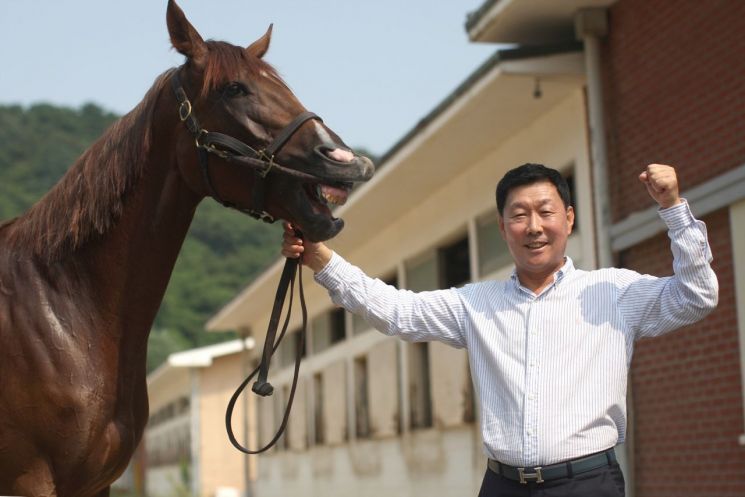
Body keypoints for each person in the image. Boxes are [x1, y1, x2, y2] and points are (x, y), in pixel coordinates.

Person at [281, 163, 718, 497]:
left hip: (587, 485)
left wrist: (673, 208)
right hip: (502, 485)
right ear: (503, 227)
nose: (533, 226)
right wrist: (320, 258)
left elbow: (697, 296)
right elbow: (398, 311)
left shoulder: (614, 290)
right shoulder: (476, 304)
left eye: (545, 212)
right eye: (519, 215)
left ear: (568, 218)